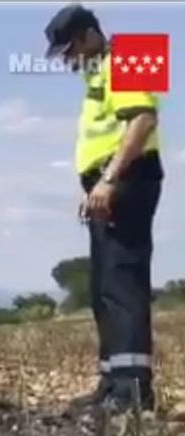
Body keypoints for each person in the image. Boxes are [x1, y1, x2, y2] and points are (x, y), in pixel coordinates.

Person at [45, 3, 164, 412]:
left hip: (128, 179)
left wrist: (110, 179)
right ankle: (112, 382)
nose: (67, 62)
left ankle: (132, 390)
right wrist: (95, 183)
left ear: (87, 36)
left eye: (68, 52)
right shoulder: (99, 71)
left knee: (123, 283)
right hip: (109, 182)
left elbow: (143, 120)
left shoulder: (127, 58)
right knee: (103, 287)